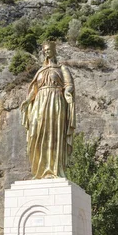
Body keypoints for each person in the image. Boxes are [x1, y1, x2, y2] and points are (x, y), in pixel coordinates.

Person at [21, 41, 76, 179]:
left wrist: (68, 92)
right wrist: (28, 100)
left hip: (56, 101)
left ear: (54, 51)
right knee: (35, 134)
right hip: (39, 103)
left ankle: (54, 170)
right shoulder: (40, 71)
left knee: (54, 134)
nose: (47, 52)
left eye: (49, 49)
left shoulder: (62, 68)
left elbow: (69, 84)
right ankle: (39, 171)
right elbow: (35, 89)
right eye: (44, 50)